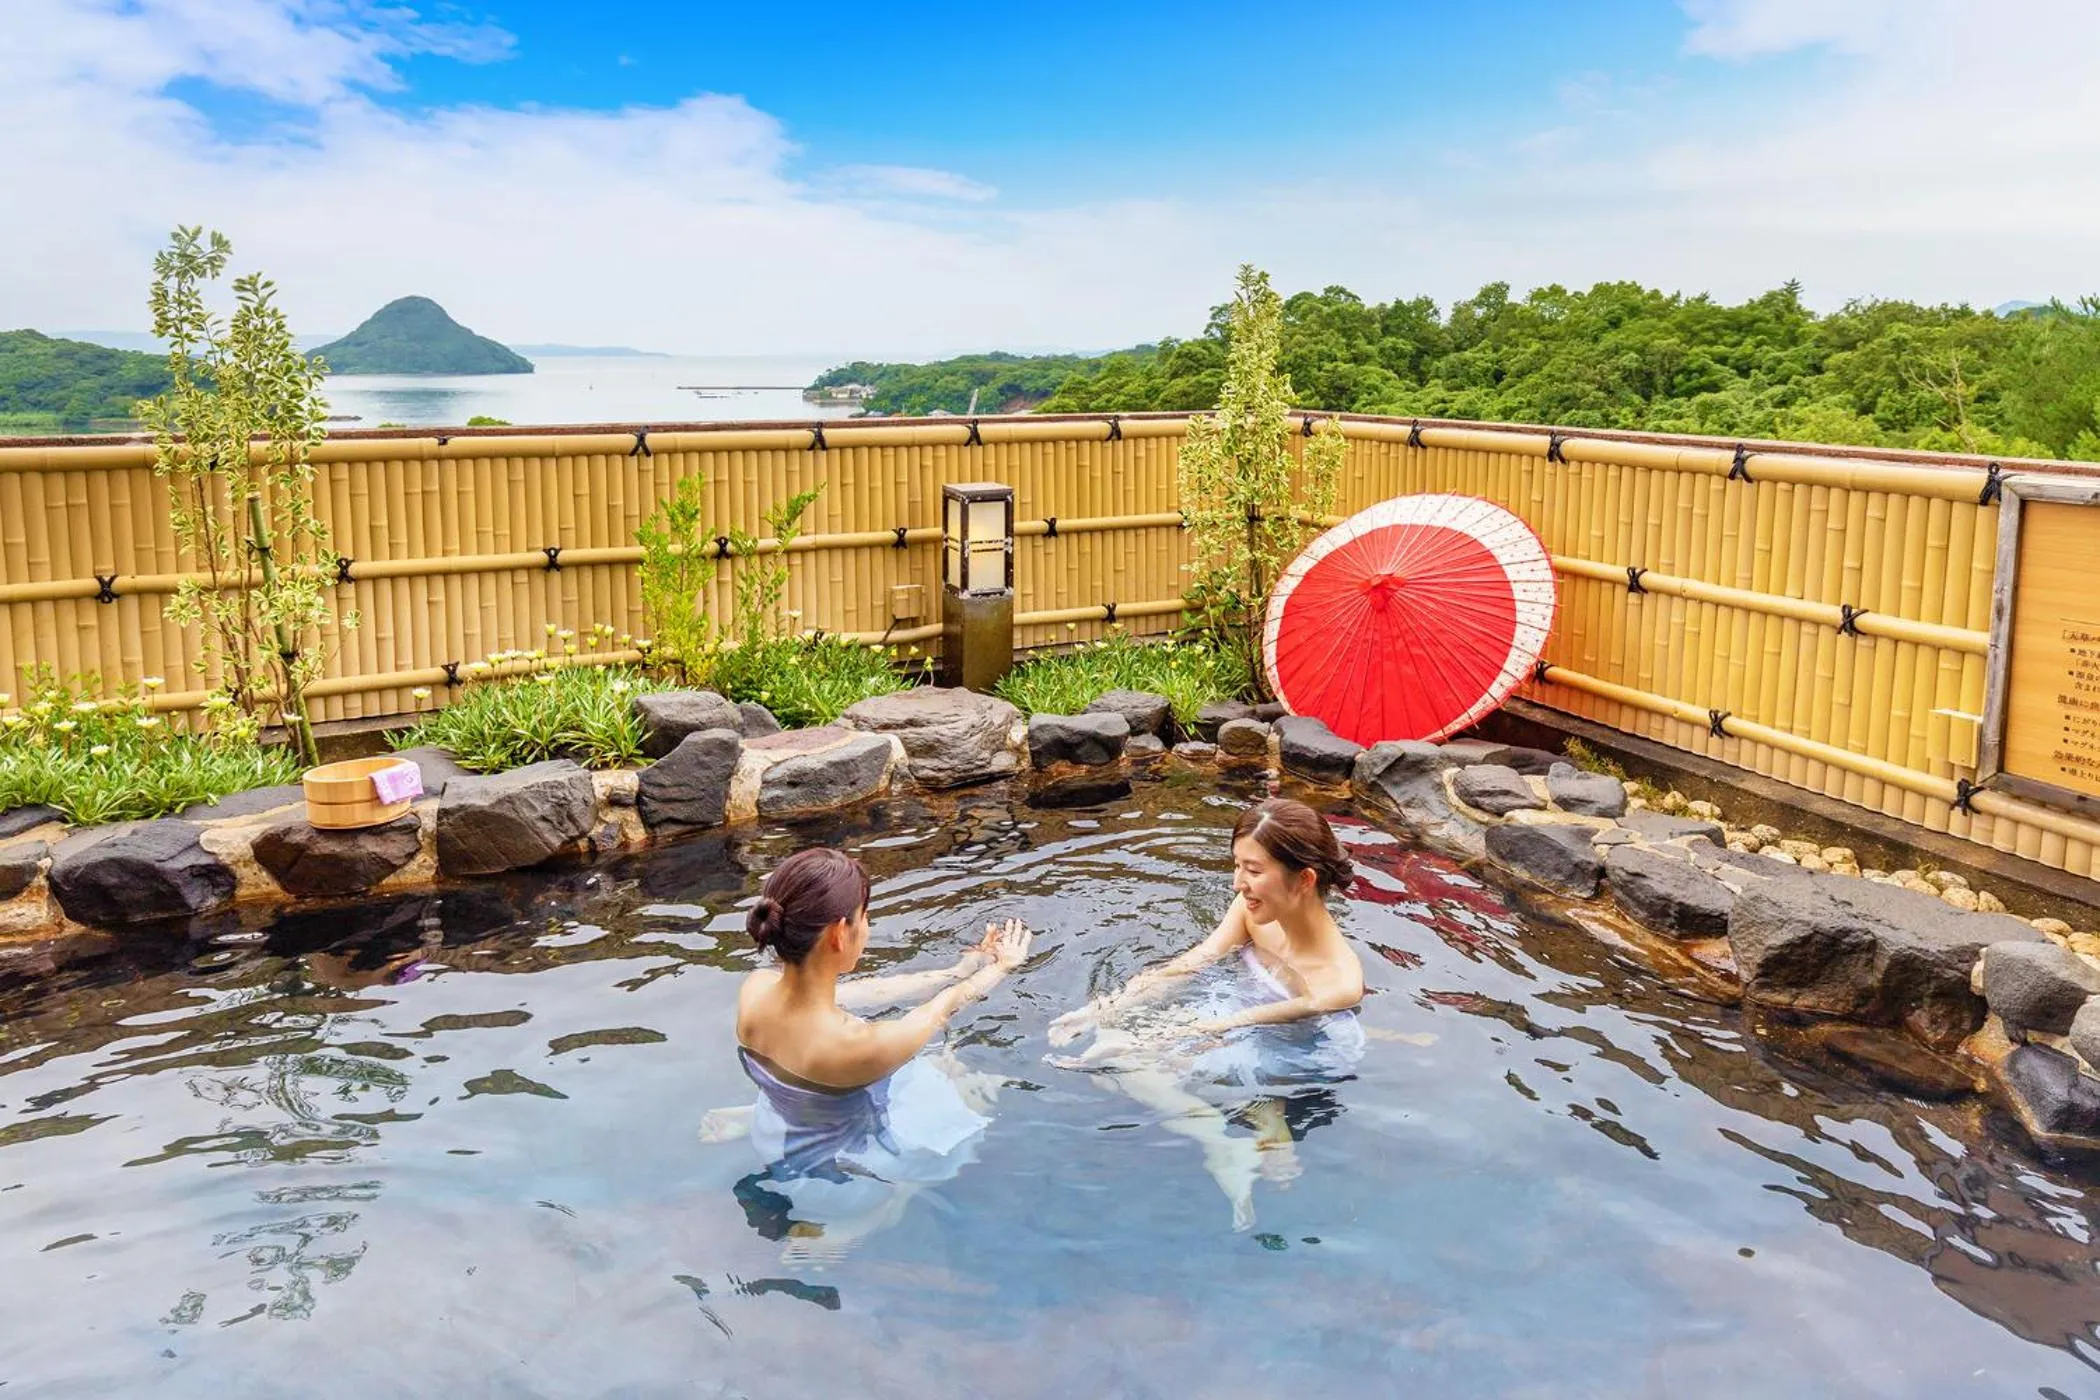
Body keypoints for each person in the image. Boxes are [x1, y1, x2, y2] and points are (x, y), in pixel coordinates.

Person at [1046, 797, 1365, 1230]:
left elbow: (1252, 1022)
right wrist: (1102, 1009)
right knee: (1110, 1046)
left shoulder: (1339, 979)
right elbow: (1192, 963)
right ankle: (1248, 1122)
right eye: (1237, 866)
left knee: (1123, 1063)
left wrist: (1176, 1037)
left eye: (1253, 871)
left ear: (1304, 879)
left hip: (1295, 1044)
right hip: (1238, 1007)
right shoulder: (1255, 911)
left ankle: (1244, 1123)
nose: (1238, 883)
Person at [701, 846, 1031, 1260]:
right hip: (834, 1182)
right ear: (840, 933)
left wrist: (957, 970)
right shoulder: (856, 1046)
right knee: (960, 1117)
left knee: (881, 1079)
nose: (868, 927)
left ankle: (752, 1116)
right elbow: (941, 1010)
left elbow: (869, 992)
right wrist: (1002, 967)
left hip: (774, 1134)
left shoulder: (756, 988)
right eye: (866, 917)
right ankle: (847, 1228)